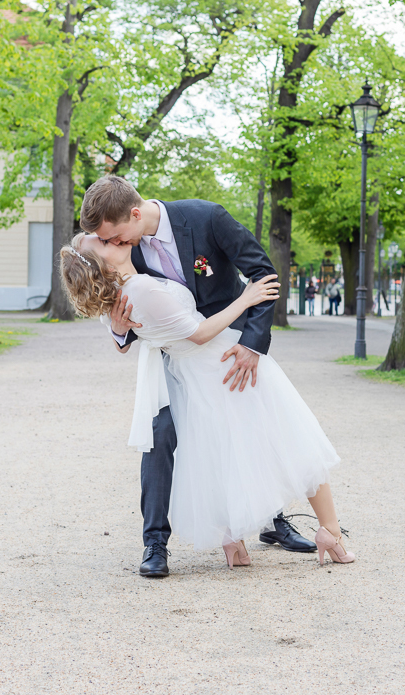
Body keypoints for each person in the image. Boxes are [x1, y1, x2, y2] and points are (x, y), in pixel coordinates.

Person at [70, 176, 352, 575]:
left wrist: (253, 345)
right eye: (107, 241)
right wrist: (118, 329)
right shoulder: (125, 255)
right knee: (164, 437)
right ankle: (157, 543)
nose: (115, 244)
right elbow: (126, 312)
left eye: (115, 236)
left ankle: (269, 525)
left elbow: (262, 273)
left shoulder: (205, 218)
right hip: (174, 361)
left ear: (134, 214)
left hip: (229, 348)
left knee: (256, 433)